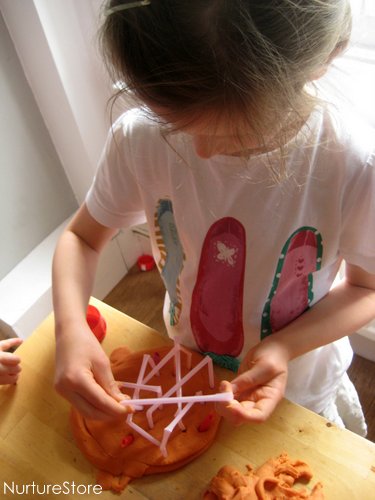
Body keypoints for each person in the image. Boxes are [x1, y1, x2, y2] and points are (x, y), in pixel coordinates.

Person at [52, 0, 375, 435]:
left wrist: (283, 347)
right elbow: (83, 239)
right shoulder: (139, 136)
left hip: (301, 390)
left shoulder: (352, 165)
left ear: (320, 61)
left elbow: (365, 288)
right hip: (190, 366)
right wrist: (71, 329)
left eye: (233, 134)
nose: (200, 151)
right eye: (174, 124)